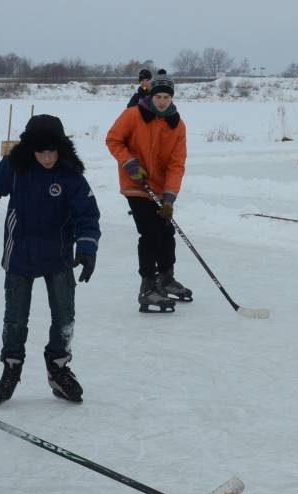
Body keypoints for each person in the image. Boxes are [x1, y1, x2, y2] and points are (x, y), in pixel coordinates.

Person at [0, 114, 101, 404]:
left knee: (64, 316)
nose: (47, 157)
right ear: (31, 150)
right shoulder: (15, 169)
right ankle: (12, 366)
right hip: (20, 253)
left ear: (61, 149)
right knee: (15, 318)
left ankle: (58, 367)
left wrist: (87, 249)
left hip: (59, 255)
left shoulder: (70, 176)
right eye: (41, 151)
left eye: (52, 151)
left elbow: (87, 215)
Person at [106, 69, 189, 313]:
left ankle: (166, 277)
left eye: (166, 96)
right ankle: (148, 286)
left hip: (161, 189)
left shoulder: (178, 125)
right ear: (151, 95)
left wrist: (170, 197)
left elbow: (177, 163)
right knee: (150, 233)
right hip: (136, 185)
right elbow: (113, 140)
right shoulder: (133, 115)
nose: (162, 101)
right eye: (158, 96)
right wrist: (129, 163)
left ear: (171, 98)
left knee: (167, 231)